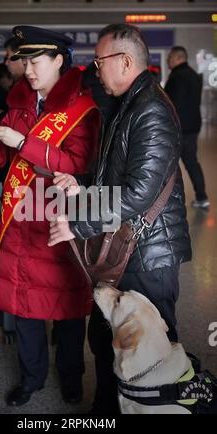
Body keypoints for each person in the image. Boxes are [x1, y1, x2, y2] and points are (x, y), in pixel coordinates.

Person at [48, 24, 192, 414]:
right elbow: (114, 178)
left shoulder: (151, 109)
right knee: (108, 339)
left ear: (125, 61)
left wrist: (78, 226)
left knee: (154, 354)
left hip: (148, 255)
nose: (96, 70)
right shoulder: (128, 103)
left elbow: (140, 193)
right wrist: (79, 184)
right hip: (128, 248)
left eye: (99, 62)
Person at [0, 25, 100, 407]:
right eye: (24, 60)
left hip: (58, 224)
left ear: (59, 60)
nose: (28, 68)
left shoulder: (82, 110)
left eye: (36, 60)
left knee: (68, 313)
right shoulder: (21, 105)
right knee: (25, 310)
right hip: (19, 225)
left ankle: (72, 378)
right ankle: (31, 379)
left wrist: (25, 143)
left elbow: (80, 164)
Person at [165, 46, 210, 209]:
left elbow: (169, 104)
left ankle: (168, 202)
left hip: (178, 129)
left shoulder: (176, 76)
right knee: (192, 162)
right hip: (193, 127)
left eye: (170, 57)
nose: (167, 60)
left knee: (168, 165)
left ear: (178, 58)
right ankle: (202, 197)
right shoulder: (194, 75)